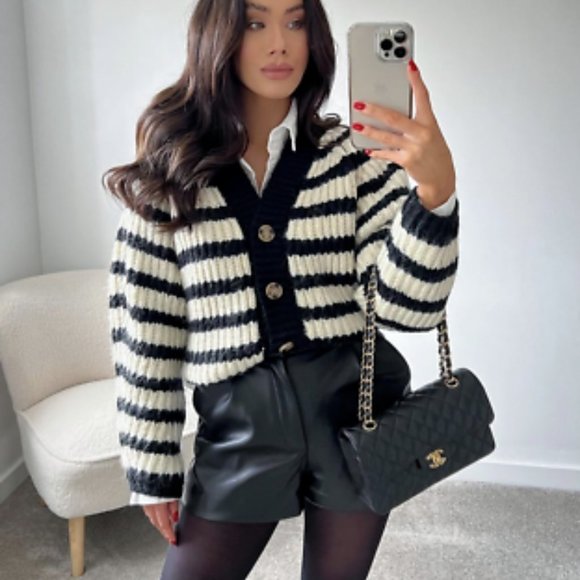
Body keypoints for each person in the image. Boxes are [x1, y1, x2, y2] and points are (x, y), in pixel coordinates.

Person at [103, 0, 459, 578]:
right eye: (255, 22)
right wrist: (152, 466)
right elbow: (145, 335)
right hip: (241, 429)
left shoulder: (354, 159)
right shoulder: (168, 172)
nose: (280, 43)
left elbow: (406, 309)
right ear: (217, 35)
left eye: (296, 22)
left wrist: (434, 197)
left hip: (356, 417)